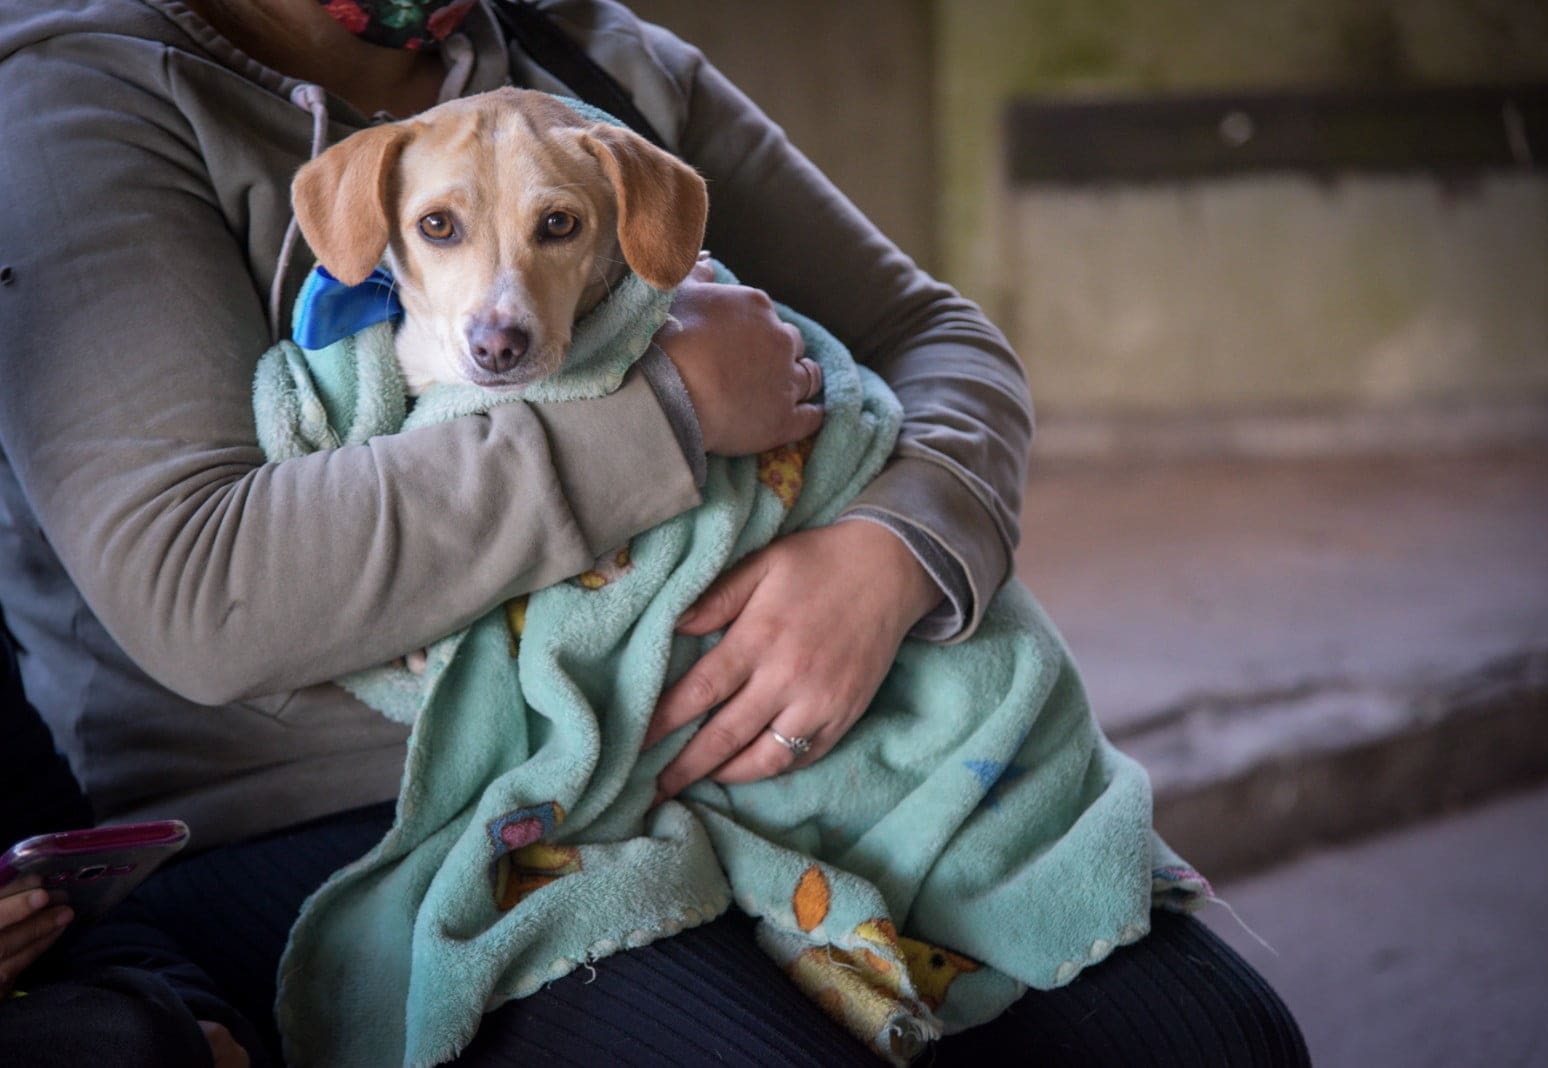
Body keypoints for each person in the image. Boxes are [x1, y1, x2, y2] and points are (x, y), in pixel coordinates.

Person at [0, 0, 1309, 1063]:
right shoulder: (81, 98)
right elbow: (202, 592)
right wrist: (665, 412)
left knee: (1208, 1033)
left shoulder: (596, 61)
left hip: (719, 753)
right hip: (334, 802)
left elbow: (936, 337)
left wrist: (894, 549)